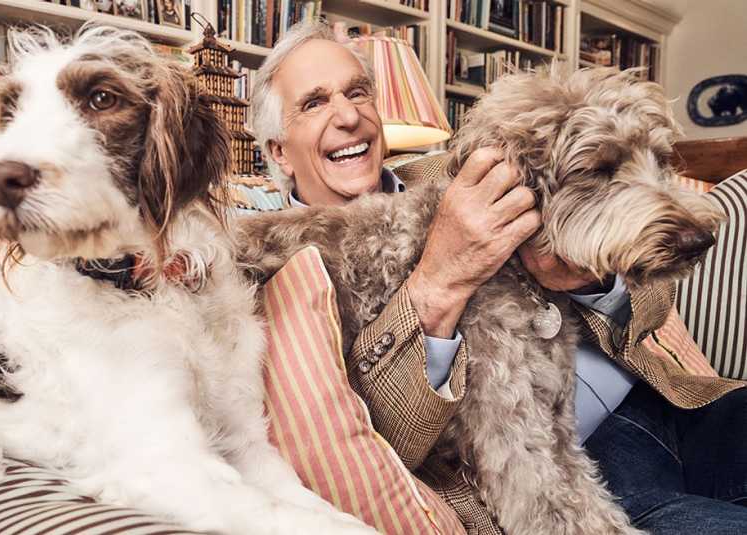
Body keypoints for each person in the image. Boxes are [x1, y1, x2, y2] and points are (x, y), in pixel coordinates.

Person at [250, 20, 747, 534]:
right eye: (314, 103)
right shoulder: (274, 266)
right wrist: (440, 279)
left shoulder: (472, 162)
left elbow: (656, 297)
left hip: (671, 402)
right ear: (279, 150)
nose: (348, 116)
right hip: (569, 471)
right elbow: (378, 439)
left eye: (358, 93)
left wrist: (590, 280)